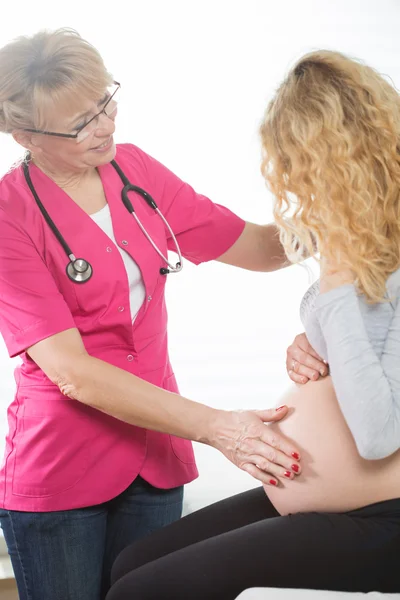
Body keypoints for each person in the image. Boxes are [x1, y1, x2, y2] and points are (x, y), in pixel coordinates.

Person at [0, 28, 304, 600]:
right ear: (25, 136)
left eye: (105, 105)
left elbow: (256, 248)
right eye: (80, 124)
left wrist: (350, 213)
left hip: (154, 456)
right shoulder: (7, 216)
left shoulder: (135, 169)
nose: (106, 128)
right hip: (63, 466)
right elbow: (72, 371)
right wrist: (219, 427)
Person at [106, 50, 400, 600]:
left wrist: (335, 293)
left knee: (142, 591)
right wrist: (309, 348)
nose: (296, 189)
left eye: (303, 170)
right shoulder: (368, 242)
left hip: (386, 515)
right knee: (131, 564)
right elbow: (368, 347)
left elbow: (380, 433)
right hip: (335, 494)